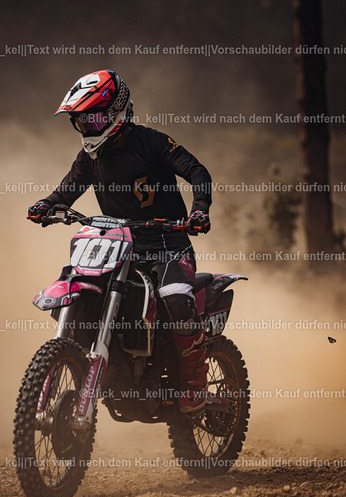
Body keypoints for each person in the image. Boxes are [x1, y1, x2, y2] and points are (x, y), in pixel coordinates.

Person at [28, 69, 212, 414]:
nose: (87, 127)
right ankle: (107, 364)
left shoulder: (151, 142)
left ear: (117, 112)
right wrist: (46, 205)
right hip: (119, 246)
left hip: (168, 245)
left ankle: (194, 379)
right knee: (79, 283)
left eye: (94, 118)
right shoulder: (89, 158)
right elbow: (66, 191)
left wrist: (199, 209)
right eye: (81, 121)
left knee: (175, 297)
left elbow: (196, 171)